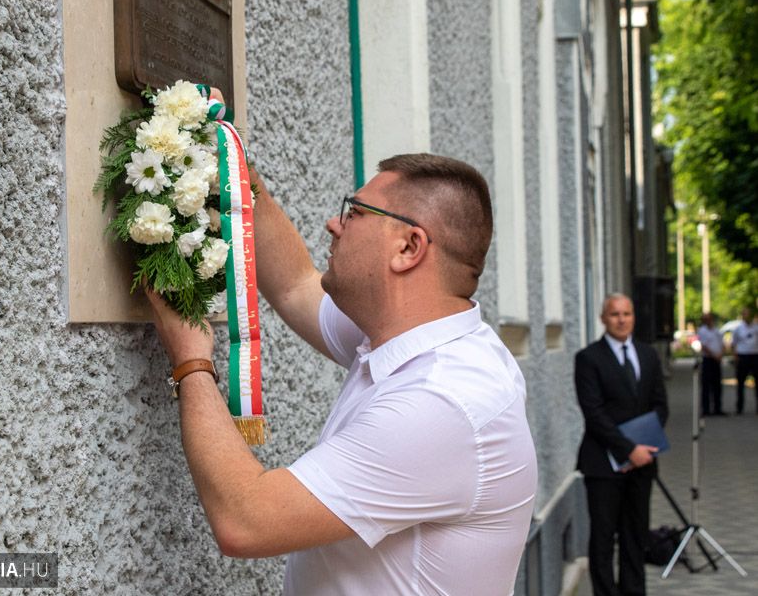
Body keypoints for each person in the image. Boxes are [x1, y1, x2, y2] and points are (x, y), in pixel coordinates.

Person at [145, 148, 538, 594]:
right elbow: (295, 285)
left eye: (355, 213)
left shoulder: (442, 402)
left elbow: (246, 519)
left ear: (409, 247)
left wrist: (192, 361)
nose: (335, 224)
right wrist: (235, 169)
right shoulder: (415, 339)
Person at [574, 294, 669, 596]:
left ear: (633, 317)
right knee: (603, 539)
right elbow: (594, 413)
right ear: (604, 318)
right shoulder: (588, 358)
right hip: (603, 465)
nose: (621, 319)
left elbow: (660, 405)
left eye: (627, 313)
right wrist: (629, 449)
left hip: (642, 464)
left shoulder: (648, 355)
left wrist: (645, 448)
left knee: (635, 536)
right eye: (614, 314)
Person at [696, 312, 725, 416]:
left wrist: (721, 354)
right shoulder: (702, 331)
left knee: (717, 385)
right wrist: (714, 355)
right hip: (708, 359)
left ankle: (717, 408)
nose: (707, 321)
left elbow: (722, 343)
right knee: (706, 385)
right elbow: (704, 346)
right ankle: (706, 409)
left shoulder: (717, 330)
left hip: (717, 360)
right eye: (705, 319)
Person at [731, 306, 758, 415]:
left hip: (755, 356)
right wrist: (736, 357)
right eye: (745, 314)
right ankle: (739, 407)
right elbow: (734, 344)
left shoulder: (756, 327)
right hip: (743, 356)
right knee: (740, 384)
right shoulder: (738, 329)